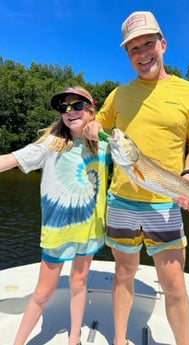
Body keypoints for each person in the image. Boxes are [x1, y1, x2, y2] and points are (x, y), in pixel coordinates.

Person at [84, 11, 189, 345]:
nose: (142, 53)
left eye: (148, 43)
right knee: (123, 274)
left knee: (174, 285)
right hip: (121, 200)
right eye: (133, 48)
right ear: (127, 54)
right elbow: (96, 124)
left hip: (166, 200)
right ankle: (120, 340)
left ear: (163, 44)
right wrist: (93, 126)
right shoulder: (118, 94)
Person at [0, 86, 111, 345]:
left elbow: (138, 165)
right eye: (64, 108)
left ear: (91, 110)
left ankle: (74, 337)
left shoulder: (105, 143)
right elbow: (14, 159)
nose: (70, 112)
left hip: (90, 229)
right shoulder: (53, 143)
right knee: (42, 293)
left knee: (79, 282)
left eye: (77, 105)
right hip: (57, 231)